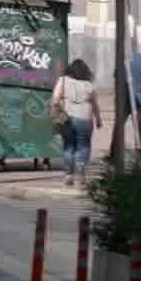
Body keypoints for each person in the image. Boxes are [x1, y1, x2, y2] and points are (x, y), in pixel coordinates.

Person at [51, 57, 102, 188]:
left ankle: (68, 174)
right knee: (83, 146)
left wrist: (57, 112)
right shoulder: (89, 85)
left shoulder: (63, 80)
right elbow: (95, 104)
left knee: (68, 146)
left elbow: (55, 99)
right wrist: (98, 119)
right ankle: (80, 173)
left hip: (67, 117)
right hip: (85, 118)